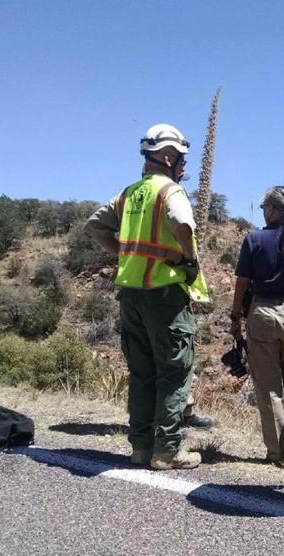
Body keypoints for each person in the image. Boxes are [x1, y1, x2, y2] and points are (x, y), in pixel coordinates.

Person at [85, 123, 211, 470]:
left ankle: (141, 447)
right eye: (182, 160)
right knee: (173, 374)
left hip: (131, 296)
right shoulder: (169, 191)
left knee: (141, 373)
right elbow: (183, 225)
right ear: (168, 157)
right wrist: (186, 257)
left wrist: (123, 253)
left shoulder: (129, 193)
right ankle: (167, 450)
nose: (184, 168)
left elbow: (94, 225)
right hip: (165, 297)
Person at [230, 185, 284, 466]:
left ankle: (276, 453)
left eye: (263, 208)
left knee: (269, 389)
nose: (262, 212)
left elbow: (242, 283)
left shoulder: (254, 239)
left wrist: (235, 316)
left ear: (273, 209)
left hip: (262, 313)